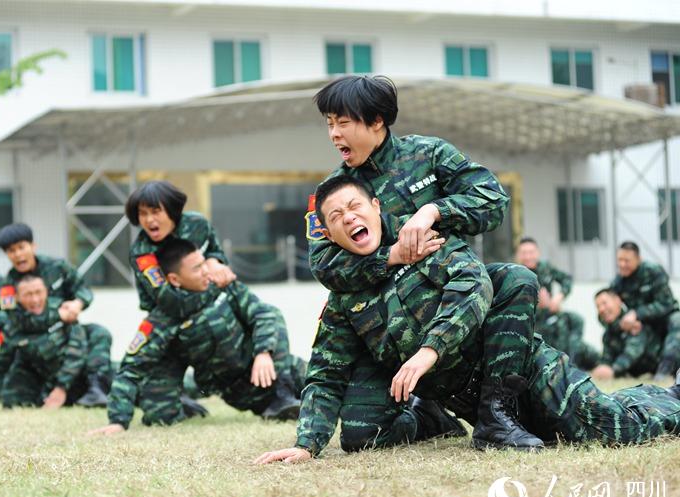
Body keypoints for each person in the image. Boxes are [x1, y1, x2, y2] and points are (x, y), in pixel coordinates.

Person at [256, 178, 680, 464]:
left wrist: (429, 350)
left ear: (375, 207)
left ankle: (672, 395)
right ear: (329, 235)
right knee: (361, 434)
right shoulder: (344, 300)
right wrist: (306, 446)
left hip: (522, 371)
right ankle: (436, 418)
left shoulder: (426, 241)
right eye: (336, 216)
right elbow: (326, 372)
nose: (348, 217)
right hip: (468, 403)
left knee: (611, 427)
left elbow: (475, 289)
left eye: (354, 206)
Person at [306, 75, 542, 448]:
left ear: (377, 120)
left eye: (343, 122)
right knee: (361, 438)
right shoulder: (336, 194)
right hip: (382, 325)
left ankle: (496, 413)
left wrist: (434, 210)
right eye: (330, 124)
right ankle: (426, 418)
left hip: (446, 296)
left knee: (515, 279)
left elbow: (493, 199)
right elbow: (322, 264)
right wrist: (391, 257)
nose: (335, 134)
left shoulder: (429, 155)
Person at [89, 238, 318, 435]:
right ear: (175, 280)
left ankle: (283, 396)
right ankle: (184, 400)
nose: (206, 271)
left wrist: (263, 352)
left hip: (275, 368)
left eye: (204, 263)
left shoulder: (222, 286)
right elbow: (131, 369)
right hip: (235, 390)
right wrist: (118, 421)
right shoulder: (163, 319)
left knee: (322, 382)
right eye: (197, 268)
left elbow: (266, 315)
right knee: (159, 413)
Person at [0, 222, 110, 405]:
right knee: (13, 396)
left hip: (66, 334)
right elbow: (15, 317)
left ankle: (96, 388)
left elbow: (83, 289)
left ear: (33, 246)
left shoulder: (58, 267)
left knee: (99, 333)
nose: (18, 254)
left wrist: (77, 304)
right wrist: (58, 314)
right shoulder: (8, 285)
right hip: (32, 342)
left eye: (21, 247)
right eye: (11, 251)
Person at [0, 275, 112, 410]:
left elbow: (77, 351)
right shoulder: (13, 325)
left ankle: (97, 392)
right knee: (12, 401)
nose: (35, 299)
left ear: (46, 292)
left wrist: (61, 388)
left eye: (38, 292)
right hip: (49, 377)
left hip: (80, 373)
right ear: (17, 297)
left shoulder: (62, 311)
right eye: (28, 294)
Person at [126, 180, 235, 318]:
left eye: (155, 212)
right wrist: (216, 286)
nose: (149, 220)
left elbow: (215, 250)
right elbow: (171, 301)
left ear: (171, 210)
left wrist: (213, 261)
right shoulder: (142, 253)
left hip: (211, 304)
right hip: (169, 319)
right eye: (143, 213)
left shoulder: (197, 224)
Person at [515, 237, 598, 366]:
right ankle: (561, 364)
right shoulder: (515, 273)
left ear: (538, 253)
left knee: (576, 320)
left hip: (551, 315)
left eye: (531, 252)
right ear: (518, 255)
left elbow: (566, 279)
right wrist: (536, 304)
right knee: (555, 332)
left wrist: (558, 297)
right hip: (530, 322)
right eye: (524, 253)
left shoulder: (545, 268)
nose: (528, 256)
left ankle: (572, 362)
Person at [610, 241, 680, 379]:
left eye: (627, 260)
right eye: (619, 260)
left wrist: (637, 313)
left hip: (666, 318)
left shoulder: (654, 271)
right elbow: (608, 312)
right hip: (642, 326)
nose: (622, 264)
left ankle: (665, 370)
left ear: (638, 259)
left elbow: (665, 304)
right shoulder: (618, 282)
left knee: (678, 320)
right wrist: (623, 323)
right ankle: (619, 368)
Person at [590, 289, 663, 379]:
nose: (601, 309)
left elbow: (631, 354)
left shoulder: (635, 322)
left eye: (604, 303)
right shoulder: (608, 335)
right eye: (598, 306)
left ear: (617, 300)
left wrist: (613, 370)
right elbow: (606, 360)